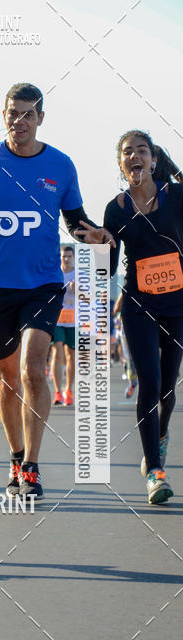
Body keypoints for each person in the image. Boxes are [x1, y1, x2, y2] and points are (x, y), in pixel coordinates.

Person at [0, 82, 113, 500]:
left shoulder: (61, 164)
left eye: (28, 114)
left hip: (43, 283)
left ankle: (31, 466)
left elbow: (73, 219)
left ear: (40, 119)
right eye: (13, 113)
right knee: (7, 378)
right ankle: (15, 456)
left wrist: (92, 236)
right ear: (3, 116)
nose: (20, 121)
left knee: (34, 368)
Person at [86, 131, 182, 505]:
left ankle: (159, 435)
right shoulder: (117, 208)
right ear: (121, 164)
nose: (135, 156)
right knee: (150, 381)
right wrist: (99, 245)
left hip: (178, 302)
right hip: (139, 303)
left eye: (142, 150)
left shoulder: (176, 196)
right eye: (128, 152)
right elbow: (107, 269)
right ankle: (155, 471)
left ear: (153, 160)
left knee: (169, 388)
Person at [51, 245, 76, 406]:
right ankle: (58, 391)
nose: (66, 259)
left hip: (74, 319)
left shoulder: (79, 274)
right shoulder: (54, 273)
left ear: (73, 257)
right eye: (63, 256)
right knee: (57, 353)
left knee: (70, 356)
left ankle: (68, 390)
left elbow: (90, 296)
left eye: (68, 256)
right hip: (57, 318)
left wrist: (79, 290)